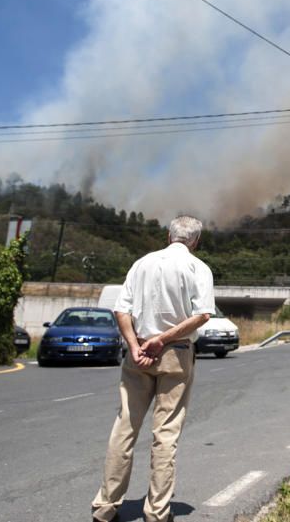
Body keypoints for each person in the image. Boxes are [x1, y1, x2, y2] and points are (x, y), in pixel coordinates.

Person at [91, 215, 214, 522]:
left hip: (138, 353)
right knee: (166, 434)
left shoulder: (142, 263)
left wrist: (135, 345)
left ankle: (106, 507)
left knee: (125, 428)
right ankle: (157, 512)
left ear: (167, 235)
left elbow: (122, 309)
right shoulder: (198, 268)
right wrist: (162, 340)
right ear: (196, 241)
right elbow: (202, 316)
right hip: (175, 353)